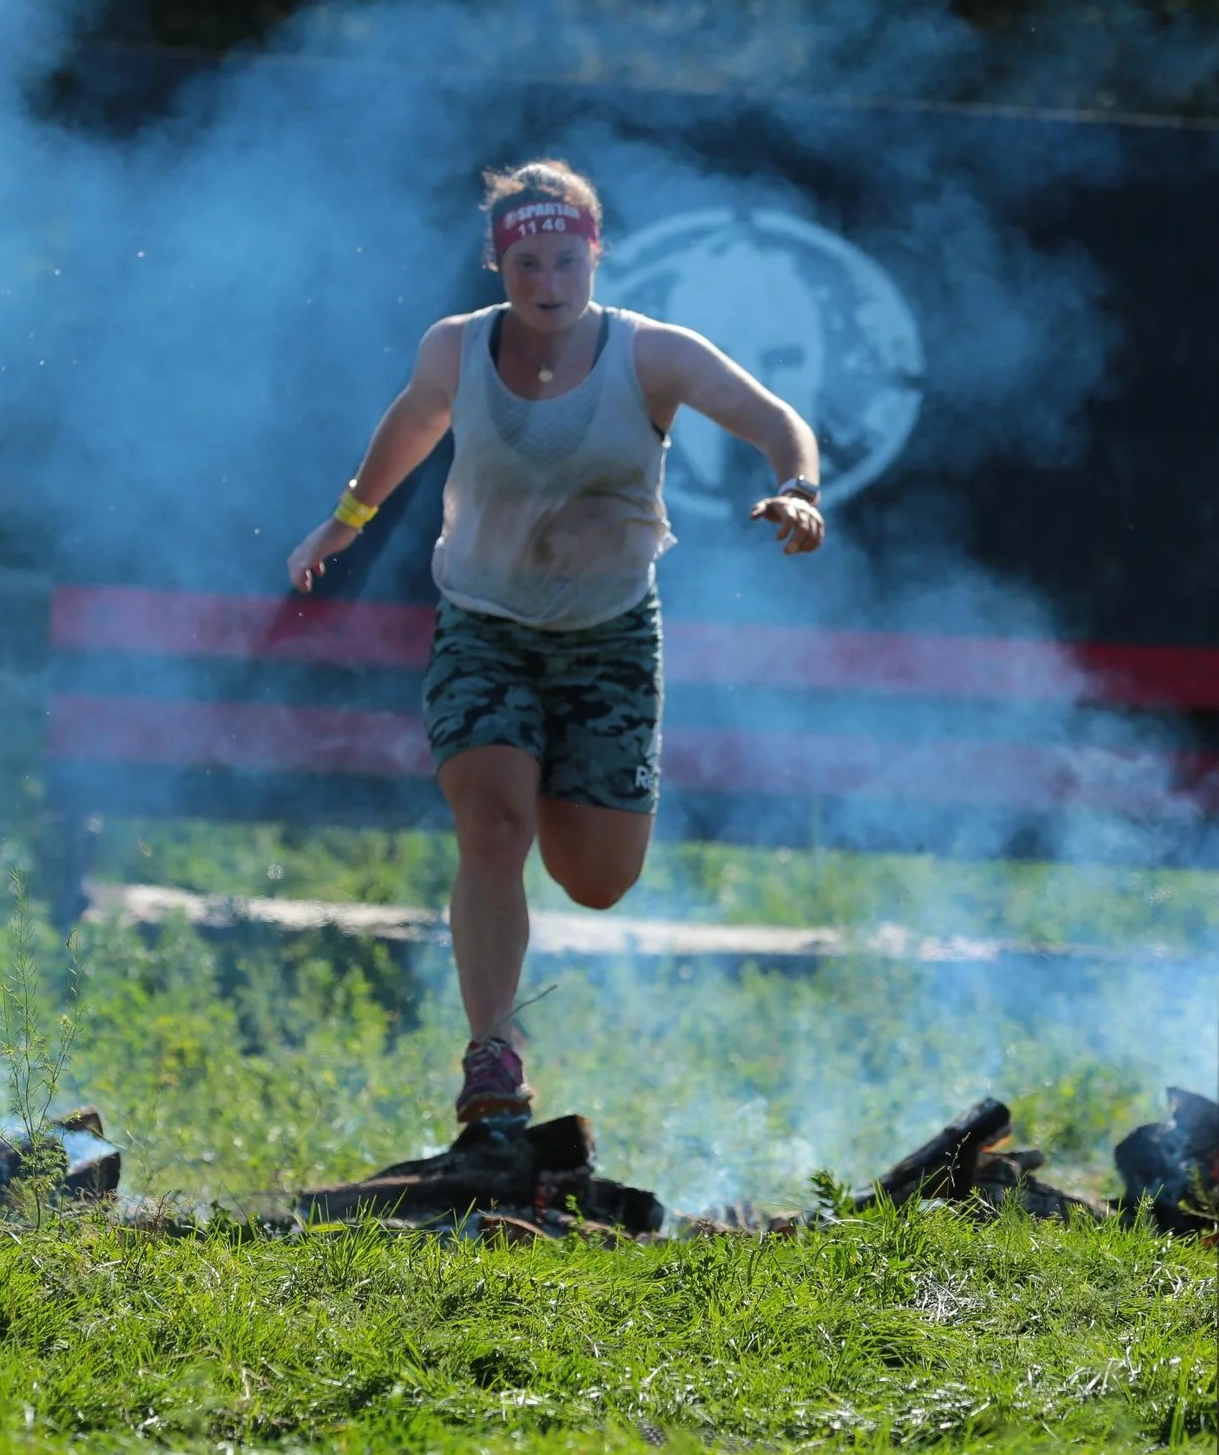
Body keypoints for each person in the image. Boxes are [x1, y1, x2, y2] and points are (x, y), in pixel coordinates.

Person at [286, 160, 824, 1125]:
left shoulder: (652, 354)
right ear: (500, 265)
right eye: (527, 262)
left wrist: (799, 489)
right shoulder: (455, 350)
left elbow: (777, 420)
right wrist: (346, 518)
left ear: (595, 255)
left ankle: (550, 825)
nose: (548, 282)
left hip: (610, 640)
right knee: (492, 827)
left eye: (566, 259)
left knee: (598, 878)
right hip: (484, 628)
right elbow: (412, 423)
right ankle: (492, 1049)